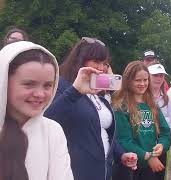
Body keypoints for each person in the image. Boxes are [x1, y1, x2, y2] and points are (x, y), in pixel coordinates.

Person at [44, 37, 137, 180]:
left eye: (105, 63)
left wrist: (121, 154)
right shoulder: (60, 86)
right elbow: (47, 119)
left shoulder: (97, 91)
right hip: (74, 172)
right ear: (80, 61)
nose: (101, 68)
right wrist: (75, 91)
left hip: (103, 172)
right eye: (96, 61)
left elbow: (101, 129)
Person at [0, 41, 73, 179]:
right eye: (29, 84)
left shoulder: (52, 131)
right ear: (3, 81)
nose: (40, 94)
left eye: (47, 85)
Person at [112, 61, 171, 180]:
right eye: (138, 80)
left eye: (145, 80)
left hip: (151, 167)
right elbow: (124, 140)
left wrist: (162, 145)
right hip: (130, 167)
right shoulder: (120, 106)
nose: (143, 84)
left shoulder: (152, 105)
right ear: (128, 81)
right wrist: (147, 157)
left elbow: (165, 132)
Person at [148, 63, 171, 133]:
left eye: (161, 75)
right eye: (155, 75)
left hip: (163, 142)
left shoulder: (168, 98)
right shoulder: (141, 97)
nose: (158, 78)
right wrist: (166, 120)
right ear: (148, 76)